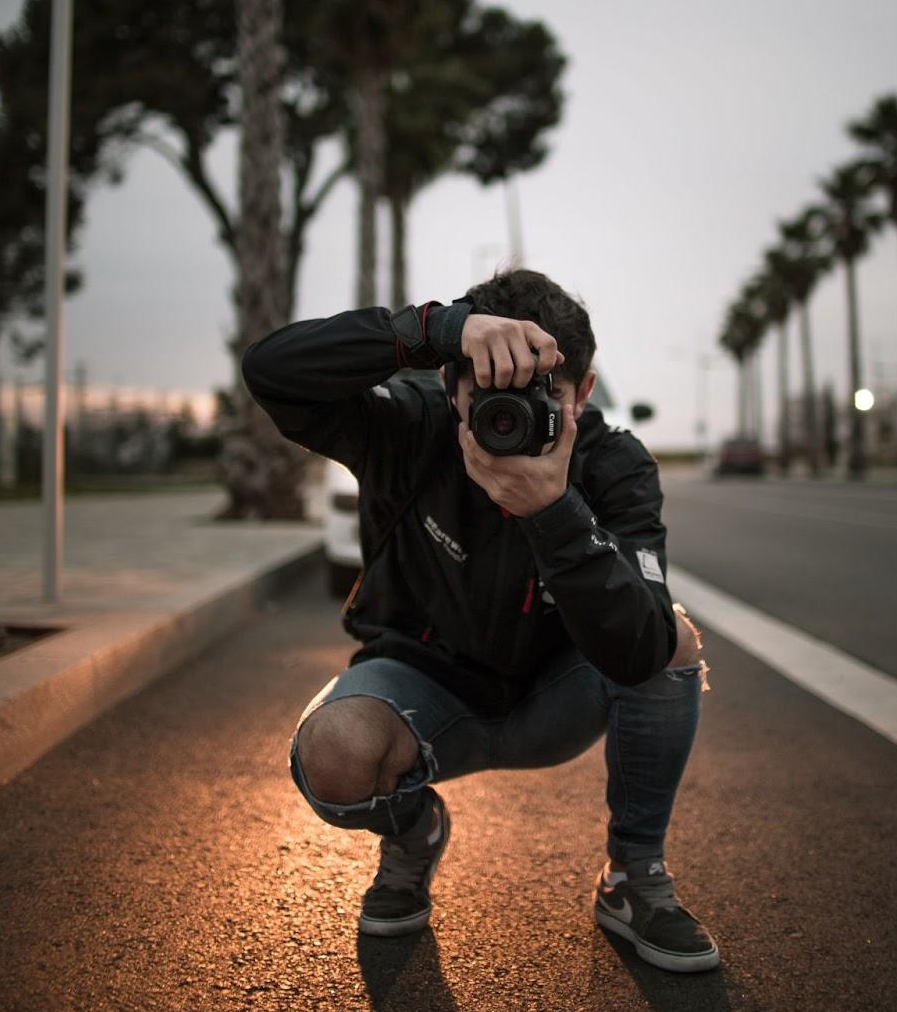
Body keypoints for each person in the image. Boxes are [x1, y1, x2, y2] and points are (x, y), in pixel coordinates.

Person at [241, 268, 719, 973]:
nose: (510, 419)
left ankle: (633, 876)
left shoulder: (615, 465)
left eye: (543, 395)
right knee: (333, 754)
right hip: (422, 687)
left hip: (558, 694)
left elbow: (642, 649)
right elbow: (270, 371)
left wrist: (553, 515)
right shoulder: (409, 428)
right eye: (489, 393)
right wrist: (436, 329)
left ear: (583, 394)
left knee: (674, 636)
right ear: (451, 385)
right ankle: (412, 832)